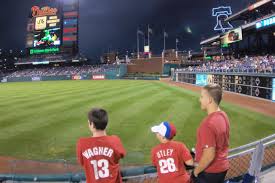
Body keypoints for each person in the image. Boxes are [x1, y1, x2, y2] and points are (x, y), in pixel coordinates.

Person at [191, 84, 230, 183]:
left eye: (202, 97)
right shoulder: (223, 115)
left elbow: (209, 156)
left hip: (209, 172)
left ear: (209, 100)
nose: (200, 99)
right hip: (222, 169)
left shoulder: (208, 124)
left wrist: (196, 172)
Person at [76, 108, 126, 183]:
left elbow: (82, 162)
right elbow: (121, 155)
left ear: (92, 124)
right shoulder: (115, 140)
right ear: (106, 124)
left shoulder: (82, 143)